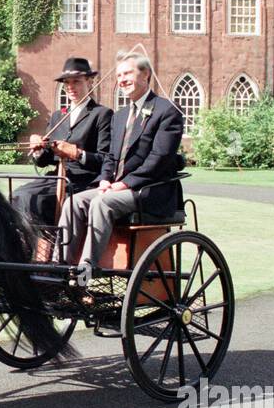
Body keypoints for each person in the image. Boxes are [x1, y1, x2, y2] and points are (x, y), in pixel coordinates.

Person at [57, 50, 184, 271]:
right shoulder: (120, 116)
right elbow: (110, 157)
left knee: (101, 203)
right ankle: (59, 266)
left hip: (149, 191)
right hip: (116, 188)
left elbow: (159, 159)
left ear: (145, 75)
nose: (122, 80)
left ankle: (87, 268)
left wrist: (125, 183)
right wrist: (105, 180)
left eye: (127, 74)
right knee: (73, 203)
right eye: (118, 76)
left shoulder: (167, 111)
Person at [11, 57, 113, 223]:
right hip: (56, 178)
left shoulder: (102, 114)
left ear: (89, 81)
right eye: (67, 83)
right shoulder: (58, 115)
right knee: (15, 196)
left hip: (83, 182)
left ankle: (47, 245)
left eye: (76, 82)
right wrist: (38, 150)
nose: (70, 87)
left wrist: (77, 154)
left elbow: (105, 159)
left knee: (30, 198)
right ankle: (30, 245)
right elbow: (44, 161)